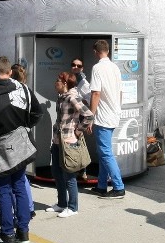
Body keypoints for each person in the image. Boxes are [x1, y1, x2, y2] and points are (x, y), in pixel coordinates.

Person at [0, 56, 42, 243]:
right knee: (20, 186)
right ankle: (23, 231)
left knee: (4, 189)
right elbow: (37, 112)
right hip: (20, 145)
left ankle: (7, 235)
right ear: (10, 72)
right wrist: (24, 128)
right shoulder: (23, 89)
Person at [47, 71, 94, 217]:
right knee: (56, 172)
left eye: (58, 80)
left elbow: (88, 115)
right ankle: (62, 203)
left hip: (68, 142)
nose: (56, 83)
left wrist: (79, 130)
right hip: (57, 141)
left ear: (65, 83)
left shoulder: (72, 97)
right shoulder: (61, 97)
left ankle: (73, 207)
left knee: (69, 176)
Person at [86, 39, 125, 199]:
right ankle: (101, 185)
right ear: (108, 51)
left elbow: (96, 93)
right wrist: (117, 108)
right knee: (103, 152)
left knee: (105, 152)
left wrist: (90, 116)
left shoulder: (97, 68)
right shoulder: (115, 67)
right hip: (113, 114)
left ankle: (118, 186)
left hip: (103, 116)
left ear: (96, 52)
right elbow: (121, 92)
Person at [10, 63, 36, 218]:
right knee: (22, 175)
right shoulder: (27, 90)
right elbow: (36, 112)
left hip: (13, 136)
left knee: (15, 178)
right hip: (25, 133)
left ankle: (19, 211)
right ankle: (29, 206)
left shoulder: (11, 91)